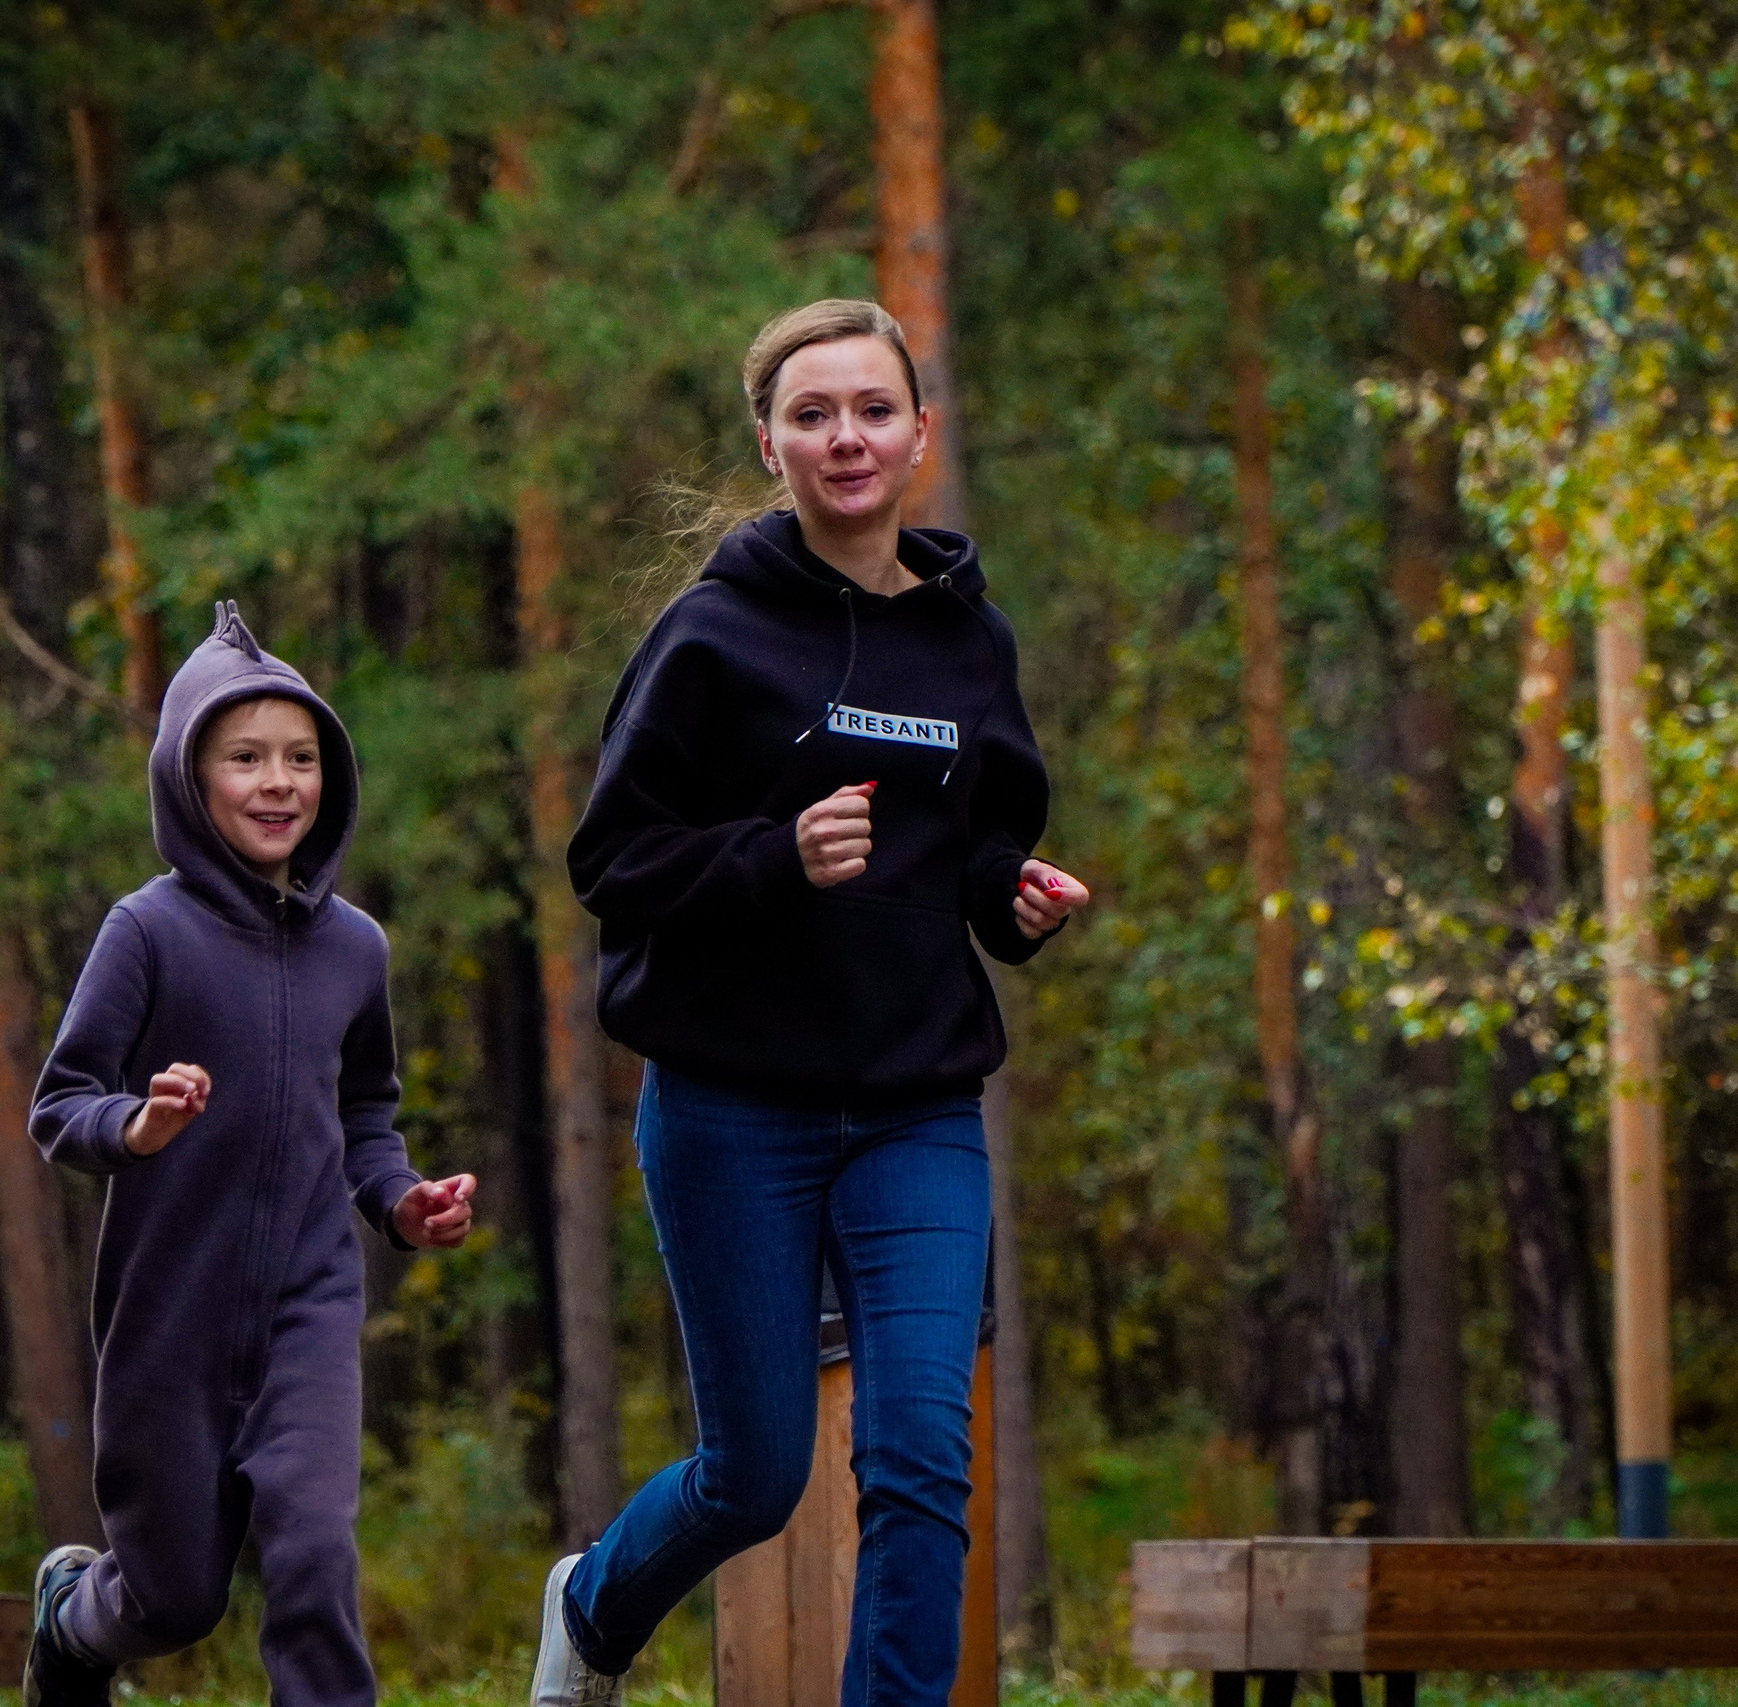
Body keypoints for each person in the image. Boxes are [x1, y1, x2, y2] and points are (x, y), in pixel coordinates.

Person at [534, 299, 1089, 1707]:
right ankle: (593, 1605)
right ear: (770, 442)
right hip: (733, 1108)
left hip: (917, 1101)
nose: (846, 435)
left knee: (918, 1453)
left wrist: (1012, 899)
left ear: (920, 433)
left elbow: (973, 847)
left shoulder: (971, 642)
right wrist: (773, 853)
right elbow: (611, 861)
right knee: (758, 1471)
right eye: (812, 413)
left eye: (872, 409)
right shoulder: (711, 637)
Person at [21, 602, 477, 1707]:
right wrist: (139, 1124)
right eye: (245, 759)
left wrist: (401, 1202)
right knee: (175, 1599)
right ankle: (74, 1628)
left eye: (301, 758)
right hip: (169, 1305)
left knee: (314, 1553)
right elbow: (59, 1104)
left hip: (308, 1305)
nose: (279, 782)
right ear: (190, 780)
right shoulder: (145, 932)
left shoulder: (355, 949)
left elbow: (367, 1114)